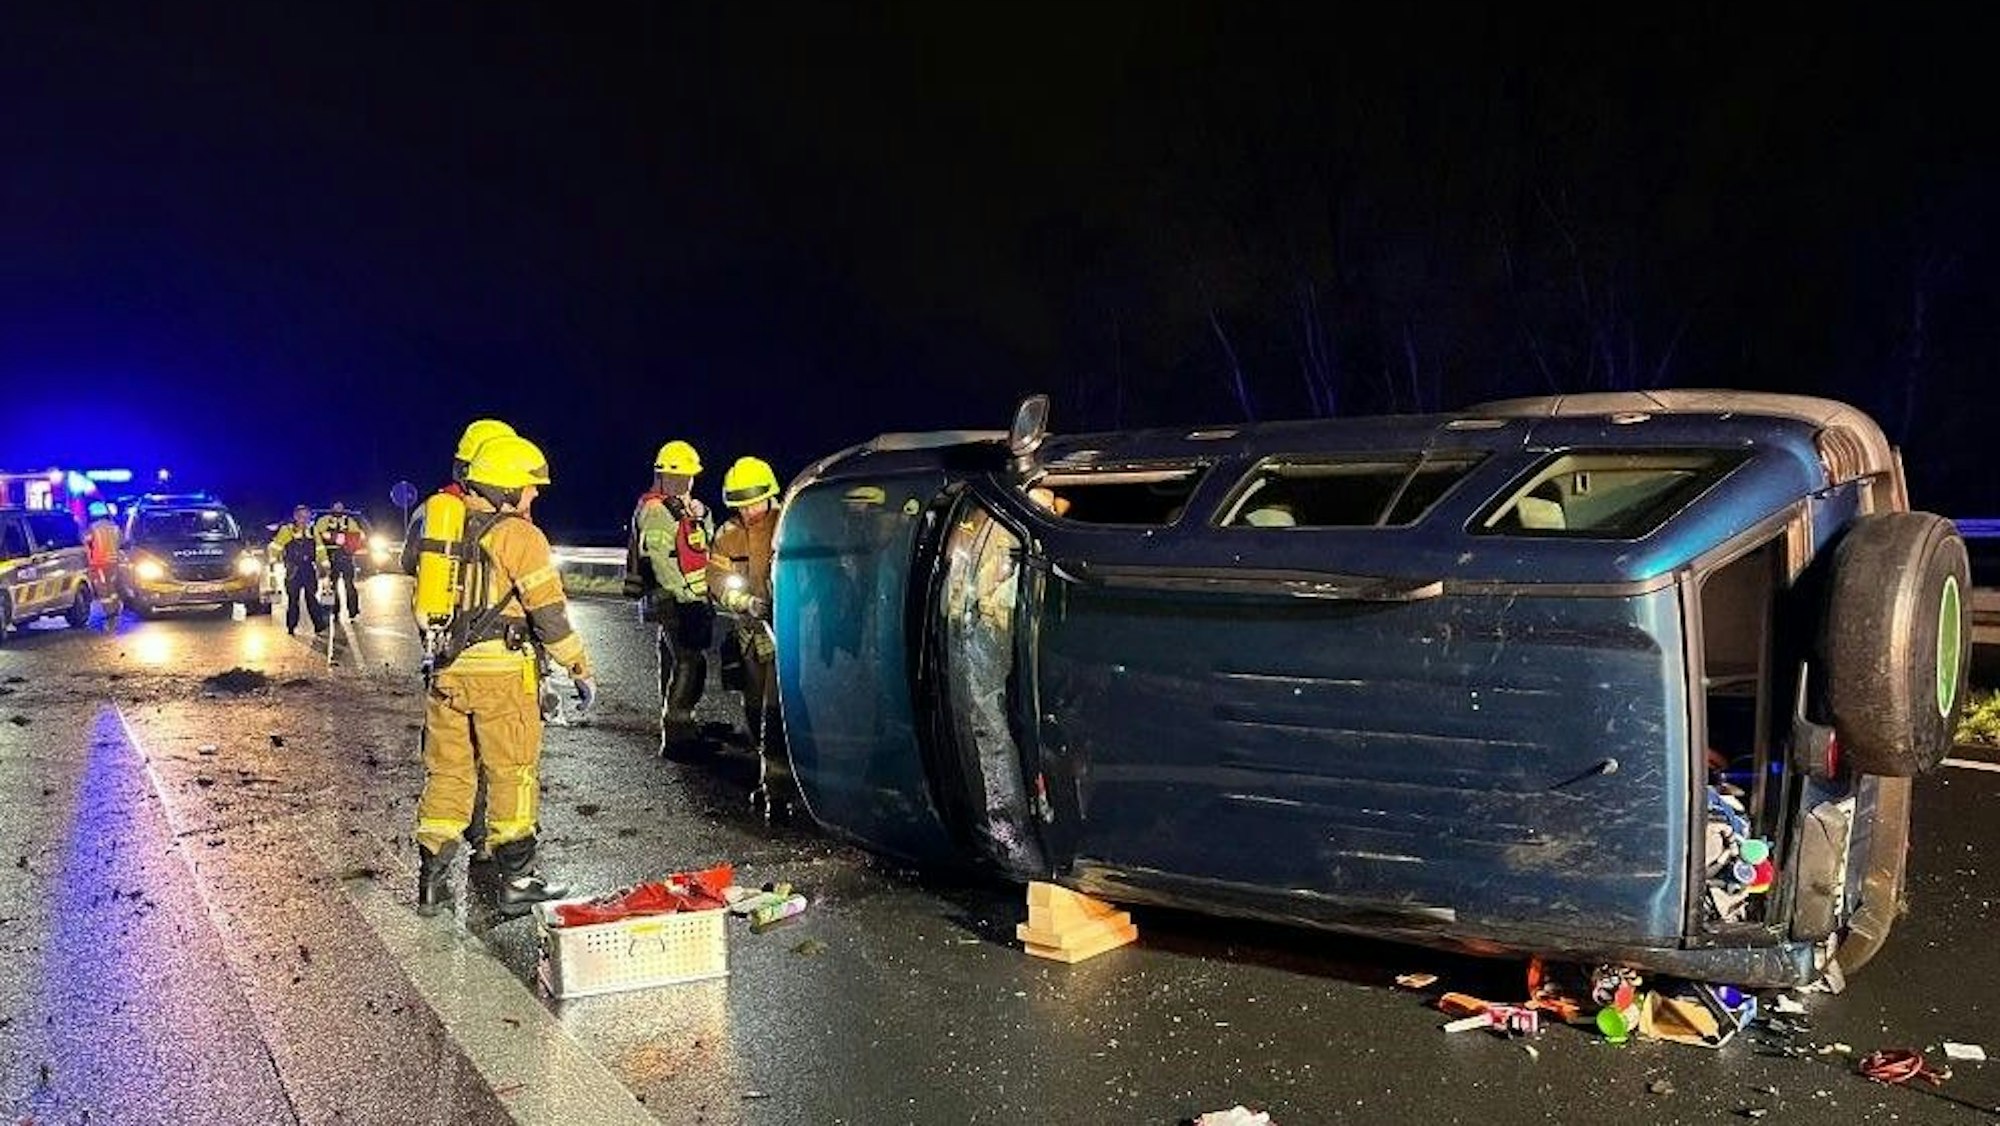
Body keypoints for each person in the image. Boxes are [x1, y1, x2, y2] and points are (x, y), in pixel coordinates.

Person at [414, 435, 596, 917]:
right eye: (529, 487)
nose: (534, 496)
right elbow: (550, 614)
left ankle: (431, 882)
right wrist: (578, 665)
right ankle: (517, 880)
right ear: (506, 489)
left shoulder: (445, 531)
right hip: (502, 675)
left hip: (447, 673)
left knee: (448, 774)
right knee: (512, 773)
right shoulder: (519, 534)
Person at [625, 439, 715, 756]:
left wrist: (702, 515)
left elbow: (703, 543)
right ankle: (678, 736)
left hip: (676, 597)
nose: (690, 483)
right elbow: (660, 560)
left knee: (675, 661)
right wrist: (687, 595)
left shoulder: (676, 506)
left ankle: (679, 727)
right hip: (673, 598)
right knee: (690, 662)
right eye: (686, 477)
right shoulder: (657, 510)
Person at [706, 456, 786, 803]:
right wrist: (744, 603)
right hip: (750, 634)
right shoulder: (727, 536)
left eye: (753, 503)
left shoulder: (788, 525)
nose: (748, 512)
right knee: (755, 706)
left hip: (788, 635)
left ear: (769, 495)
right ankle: (767, 767)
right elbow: (717, 584)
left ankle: (779, 784)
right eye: (740, 506)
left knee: (777, 708)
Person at [400, 418, 516, 577]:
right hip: (495, 600)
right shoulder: (509, 511)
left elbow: (408, 562)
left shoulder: (433, 506)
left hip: (438, 599)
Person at [271, 505, 329, 636]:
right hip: (293, 570)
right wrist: (273, 560)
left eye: (307, 516)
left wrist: (325, 564)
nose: (304, 519)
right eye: (301, 516)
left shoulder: (313, 530)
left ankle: (319, 626)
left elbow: (320, 549)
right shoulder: (286, 530)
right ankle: (291, 626)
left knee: (312, 598)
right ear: (295, 517)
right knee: (293, 599)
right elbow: (276, 547)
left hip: (308, 568)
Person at [313, 501, 365, 618]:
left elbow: (356, 537)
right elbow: (318, 536)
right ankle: (332, 611)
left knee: (349, 584)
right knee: (330, 585)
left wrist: (339, 538)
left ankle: (353, 611)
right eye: (336, 505)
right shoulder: (323, 520)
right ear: (331, 506)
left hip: (346, 557)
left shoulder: (349, 521)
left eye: (341, 506)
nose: (338, 508)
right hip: (329, 556)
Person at [83, 502, 122, 627]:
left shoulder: (93, 527)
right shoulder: (114, 527)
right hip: (113, 560)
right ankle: (116, 608)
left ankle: (109, 612)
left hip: (98, 562)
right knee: (112, 586)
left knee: (102, 588)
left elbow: (86, 540)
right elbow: (121, 541)